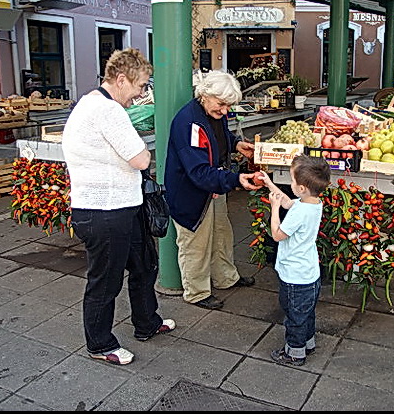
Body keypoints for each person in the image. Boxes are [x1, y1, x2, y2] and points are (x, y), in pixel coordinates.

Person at [62, 48, 175, 366]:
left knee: (144, 265)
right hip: (104, 213)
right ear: (121, 79)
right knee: (105, 281)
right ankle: (99, 343)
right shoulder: (108, 110)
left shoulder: (92, 103)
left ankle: (147, 322)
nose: (141, 94)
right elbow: (141, 159)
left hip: (122, 207)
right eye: (140, 86)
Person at [164, 70, 260, 310]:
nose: (225, 110)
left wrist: (236, 144)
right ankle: (196, 292)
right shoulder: (188, 122)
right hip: (192, 192)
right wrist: (237, 179)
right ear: (205, 95)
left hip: (214, 185)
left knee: (221, 234)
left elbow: (220, 136)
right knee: (195, 242)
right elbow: (197, 171)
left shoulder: (213, 113)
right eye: (221, 104)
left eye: (228, 105)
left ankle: (226, 277)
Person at [257, 154, 331, 366]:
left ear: (301, 188)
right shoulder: (313, 203)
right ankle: (308, 343)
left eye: (292, 181)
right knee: (306, 313)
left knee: (294, 316)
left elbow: (278, 235)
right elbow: (289, 202)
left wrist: (273, 209)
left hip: (295, 277)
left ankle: (294, 353)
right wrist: (270, 183)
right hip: (309, 273)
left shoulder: (300, 213)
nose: (290, 184)